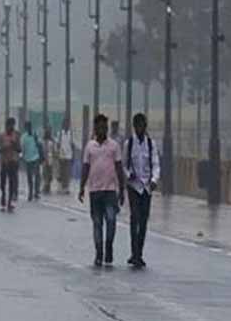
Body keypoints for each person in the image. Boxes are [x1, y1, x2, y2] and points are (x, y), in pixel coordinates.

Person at [79, 113, 127, 267]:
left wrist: (122, 189)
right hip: (94, 191)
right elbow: (85, 167)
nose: (102, 130)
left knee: (111, 220)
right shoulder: (89, 147)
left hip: (110, 191)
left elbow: (119, 168)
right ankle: (99, 252)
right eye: (99, 127)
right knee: (97, 223)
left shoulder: (114, 146)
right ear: (95, 128)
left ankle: (109, 246)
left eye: (104, 127)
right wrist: (81, 187)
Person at [125, 112, 160, 268]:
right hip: (134, 186)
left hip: (146, 187)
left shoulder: (151, 144)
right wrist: (128, 175)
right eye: (137, 126)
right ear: (134, 127)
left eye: (142, 126)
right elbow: (124, 165)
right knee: (135, 218)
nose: (140, 129)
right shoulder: (129, 144)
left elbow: (156, 164)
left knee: (144, 221)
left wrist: (154, 180)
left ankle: (139, 252)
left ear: (145, 127)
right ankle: (134, 253)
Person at [0, 118, 21, 211]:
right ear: (6, 125)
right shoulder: (1, 136)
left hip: (13, 161)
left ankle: (9, 201)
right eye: (9, 125)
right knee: (3, 182)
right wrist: (3, 148)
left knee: (11, 182)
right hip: (4, 161)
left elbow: (19, 149)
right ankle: (3, 195)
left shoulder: (16, 135)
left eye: (12, 125)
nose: (11, 127)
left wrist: (14, 145)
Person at [20, 121, 42, 201]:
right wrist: (22, 157)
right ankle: (30, 192)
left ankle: (36, 192)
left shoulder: (35, 135)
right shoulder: (23, 137)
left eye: (30, 126)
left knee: (37, 175)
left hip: (36, 157)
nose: (29, 128)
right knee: (29, 177)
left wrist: (36, 140)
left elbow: (39, 144)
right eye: (27, 127)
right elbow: (22, 148)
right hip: (28, 159)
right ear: (26, 128)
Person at [57, 118, 74, 193]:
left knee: (67, 172)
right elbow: (58, 144)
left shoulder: (71, 134)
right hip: (61, 156)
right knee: (61, 172)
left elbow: (72, 145)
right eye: (65, 124)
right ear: (63, 125)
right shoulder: (60, 134)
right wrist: (58, 154)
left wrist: (73, 155)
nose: (66, 125)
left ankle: (66, 187)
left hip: (69, 156)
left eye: (68, 124)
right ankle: (60, 187)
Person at [41, 127, 55, 194]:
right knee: (46, 174)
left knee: (48, 174)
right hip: (46, 160)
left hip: (49, 159)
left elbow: (53, 151)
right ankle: (46, 187)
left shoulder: (51, 142)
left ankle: (47, 187)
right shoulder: (44, 142)